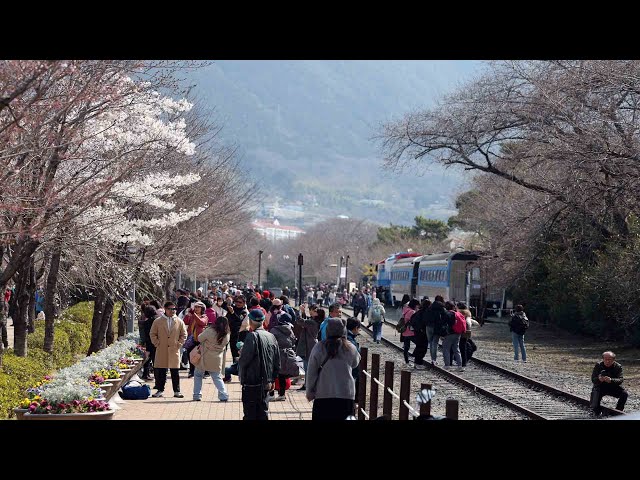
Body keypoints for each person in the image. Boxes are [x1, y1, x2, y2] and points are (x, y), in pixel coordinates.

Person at [306, 318, 361, 420]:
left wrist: (310, 392)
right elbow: (355, 363)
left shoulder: (319, 347)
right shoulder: (350, 348)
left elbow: (311, 372)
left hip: (323, 394)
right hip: (346, 395)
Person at [238, 308, 280, 420]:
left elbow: (245, 360)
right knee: (263, 412)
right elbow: (277, 361)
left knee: (250, 414)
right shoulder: (271, 336)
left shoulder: (252, 336)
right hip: (267, 382)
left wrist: (241, 354)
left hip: (252, 382)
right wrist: (273, 379)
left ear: (250, 322)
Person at [149, 301, 187, 398]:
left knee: (175, 372)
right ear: (165, 309)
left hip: (174, 349)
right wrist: (157, 343)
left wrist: (179, 344)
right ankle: (160, 390)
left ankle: (177, 391)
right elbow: (152, 333)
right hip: (162, 349)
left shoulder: (179, 321)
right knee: (161, 371)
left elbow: (184, 334)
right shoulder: (158, 321)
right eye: (170, 309)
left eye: (174, 309)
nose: (172, 311)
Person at [193, 316, 230, 402]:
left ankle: (197, 395)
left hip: (204, 356)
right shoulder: (227, 334)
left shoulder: (210, 330)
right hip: (217, 358)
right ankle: (223, 395)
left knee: (198, 375)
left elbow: (199, 338)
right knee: (217, 377)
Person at [590, 351, 628, 415]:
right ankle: (596, 410)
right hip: (600, 387)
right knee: (594, 405)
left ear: (613, 360)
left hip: (612, 387)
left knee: (624, 394)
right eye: (605, 359)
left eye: (609, 360)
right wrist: (599, 379)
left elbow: (620, 379)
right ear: (603, 359)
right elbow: (593, 379)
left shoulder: (618, 366)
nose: (607, 361)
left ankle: (618, 411)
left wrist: (611, 380)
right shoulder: (598, 365)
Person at [401, 299, 420, 364]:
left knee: (406, 347)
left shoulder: (405, 310)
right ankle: (413, 355)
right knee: (419, 344)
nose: (417, 306)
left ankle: (406, 361)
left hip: (405, 331)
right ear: (415, 305)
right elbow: (414, 321)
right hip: (411, 332)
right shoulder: (412, 312)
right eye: (417, 305)